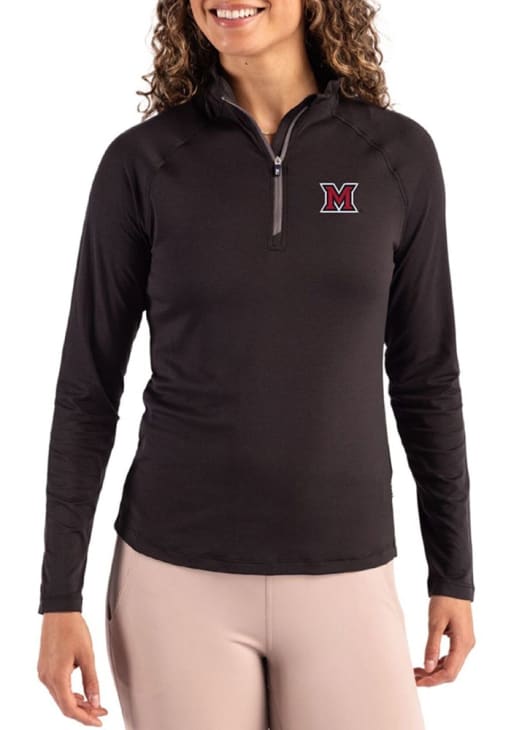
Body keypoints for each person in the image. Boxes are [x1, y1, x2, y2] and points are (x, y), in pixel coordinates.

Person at [36, 0, 476, 727]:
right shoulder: (143, 163)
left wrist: (453, 575)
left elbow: (427, 378)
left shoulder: (396, 158)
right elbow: (87, 390)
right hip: (174, 580)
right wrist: (59, 598)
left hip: (347, 568)